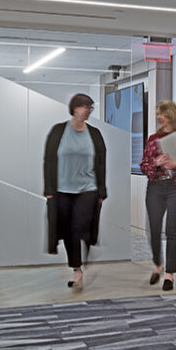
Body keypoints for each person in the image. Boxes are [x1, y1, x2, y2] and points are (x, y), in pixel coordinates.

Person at [43, 93, 107, 289]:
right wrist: (48, 188)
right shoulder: (58, 131)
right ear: (76, 108)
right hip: (62, 189)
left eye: (91, 108)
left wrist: (102, 191)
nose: (89, 111)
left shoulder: (94, 134)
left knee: (79, 226)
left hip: (88, 188)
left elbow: (101, 162)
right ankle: (77, 269)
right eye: (87, 107)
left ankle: (85, 251)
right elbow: (49, 160)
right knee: (68, 231)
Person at [140, 100, 176, 291]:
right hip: (155, 187)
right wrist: (156, 163)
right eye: (157, 114)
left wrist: (175, 165)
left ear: (170, 115)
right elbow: (143, 165)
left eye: (161, 114)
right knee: (154, 229)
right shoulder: (153, 139)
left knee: (171, 230)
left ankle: (170, 274)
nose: (159, 117)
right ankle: (158, 264)